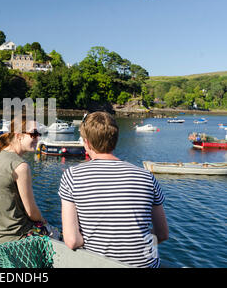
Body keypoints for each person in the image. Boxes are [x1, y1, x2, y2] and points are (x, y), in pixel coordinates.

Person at [58, 111, 169, 268]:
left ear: (87, 143)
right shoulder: (146, 177)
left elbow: (72, 241)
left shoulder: (72, 176)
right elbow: (163, 234)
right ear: (115, 141)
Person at [0, 117, 50, 244]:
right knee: (55, 235)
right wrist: (44, 221)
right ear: (19, 136)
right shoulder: (20, 166)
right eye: (33, 134)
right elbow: (31, 212)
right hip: (13, 236)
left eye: (38, 134)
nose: (38, 138)